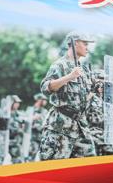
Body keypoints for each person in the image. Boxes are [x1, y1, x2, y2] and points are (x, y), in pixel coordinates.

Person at [39, 31, 96, 160]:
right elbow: (45, 88)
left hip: (80, 127)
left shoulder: (83, 69)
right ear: (75, 43)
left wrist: (94, 91)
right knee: (55, 168)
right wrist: (70, 76)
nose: (87, 47)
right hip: (60, 128)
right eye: (85, 44)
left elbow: (82, 99)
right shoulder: (60, 65)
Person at [28, 93, 48, 162]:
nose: (45, 101)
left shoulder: (45, 111)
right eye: (43, 100)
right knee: (31, 156)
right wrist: (33, 119)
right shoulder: (31, 110)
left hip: (42, 138)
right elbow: (26, 122)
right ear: (39, 100)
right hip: (33, 138)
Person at [7, 95, 27, 164]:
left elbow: (25, 123)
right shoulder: (5, 113)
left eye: (18, 103)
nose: (18, 104)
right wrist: (19, 130)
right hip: (5, 141)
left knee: (18, 161)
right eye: (16, 102)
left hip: (15, 143)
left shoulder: (19, 114)